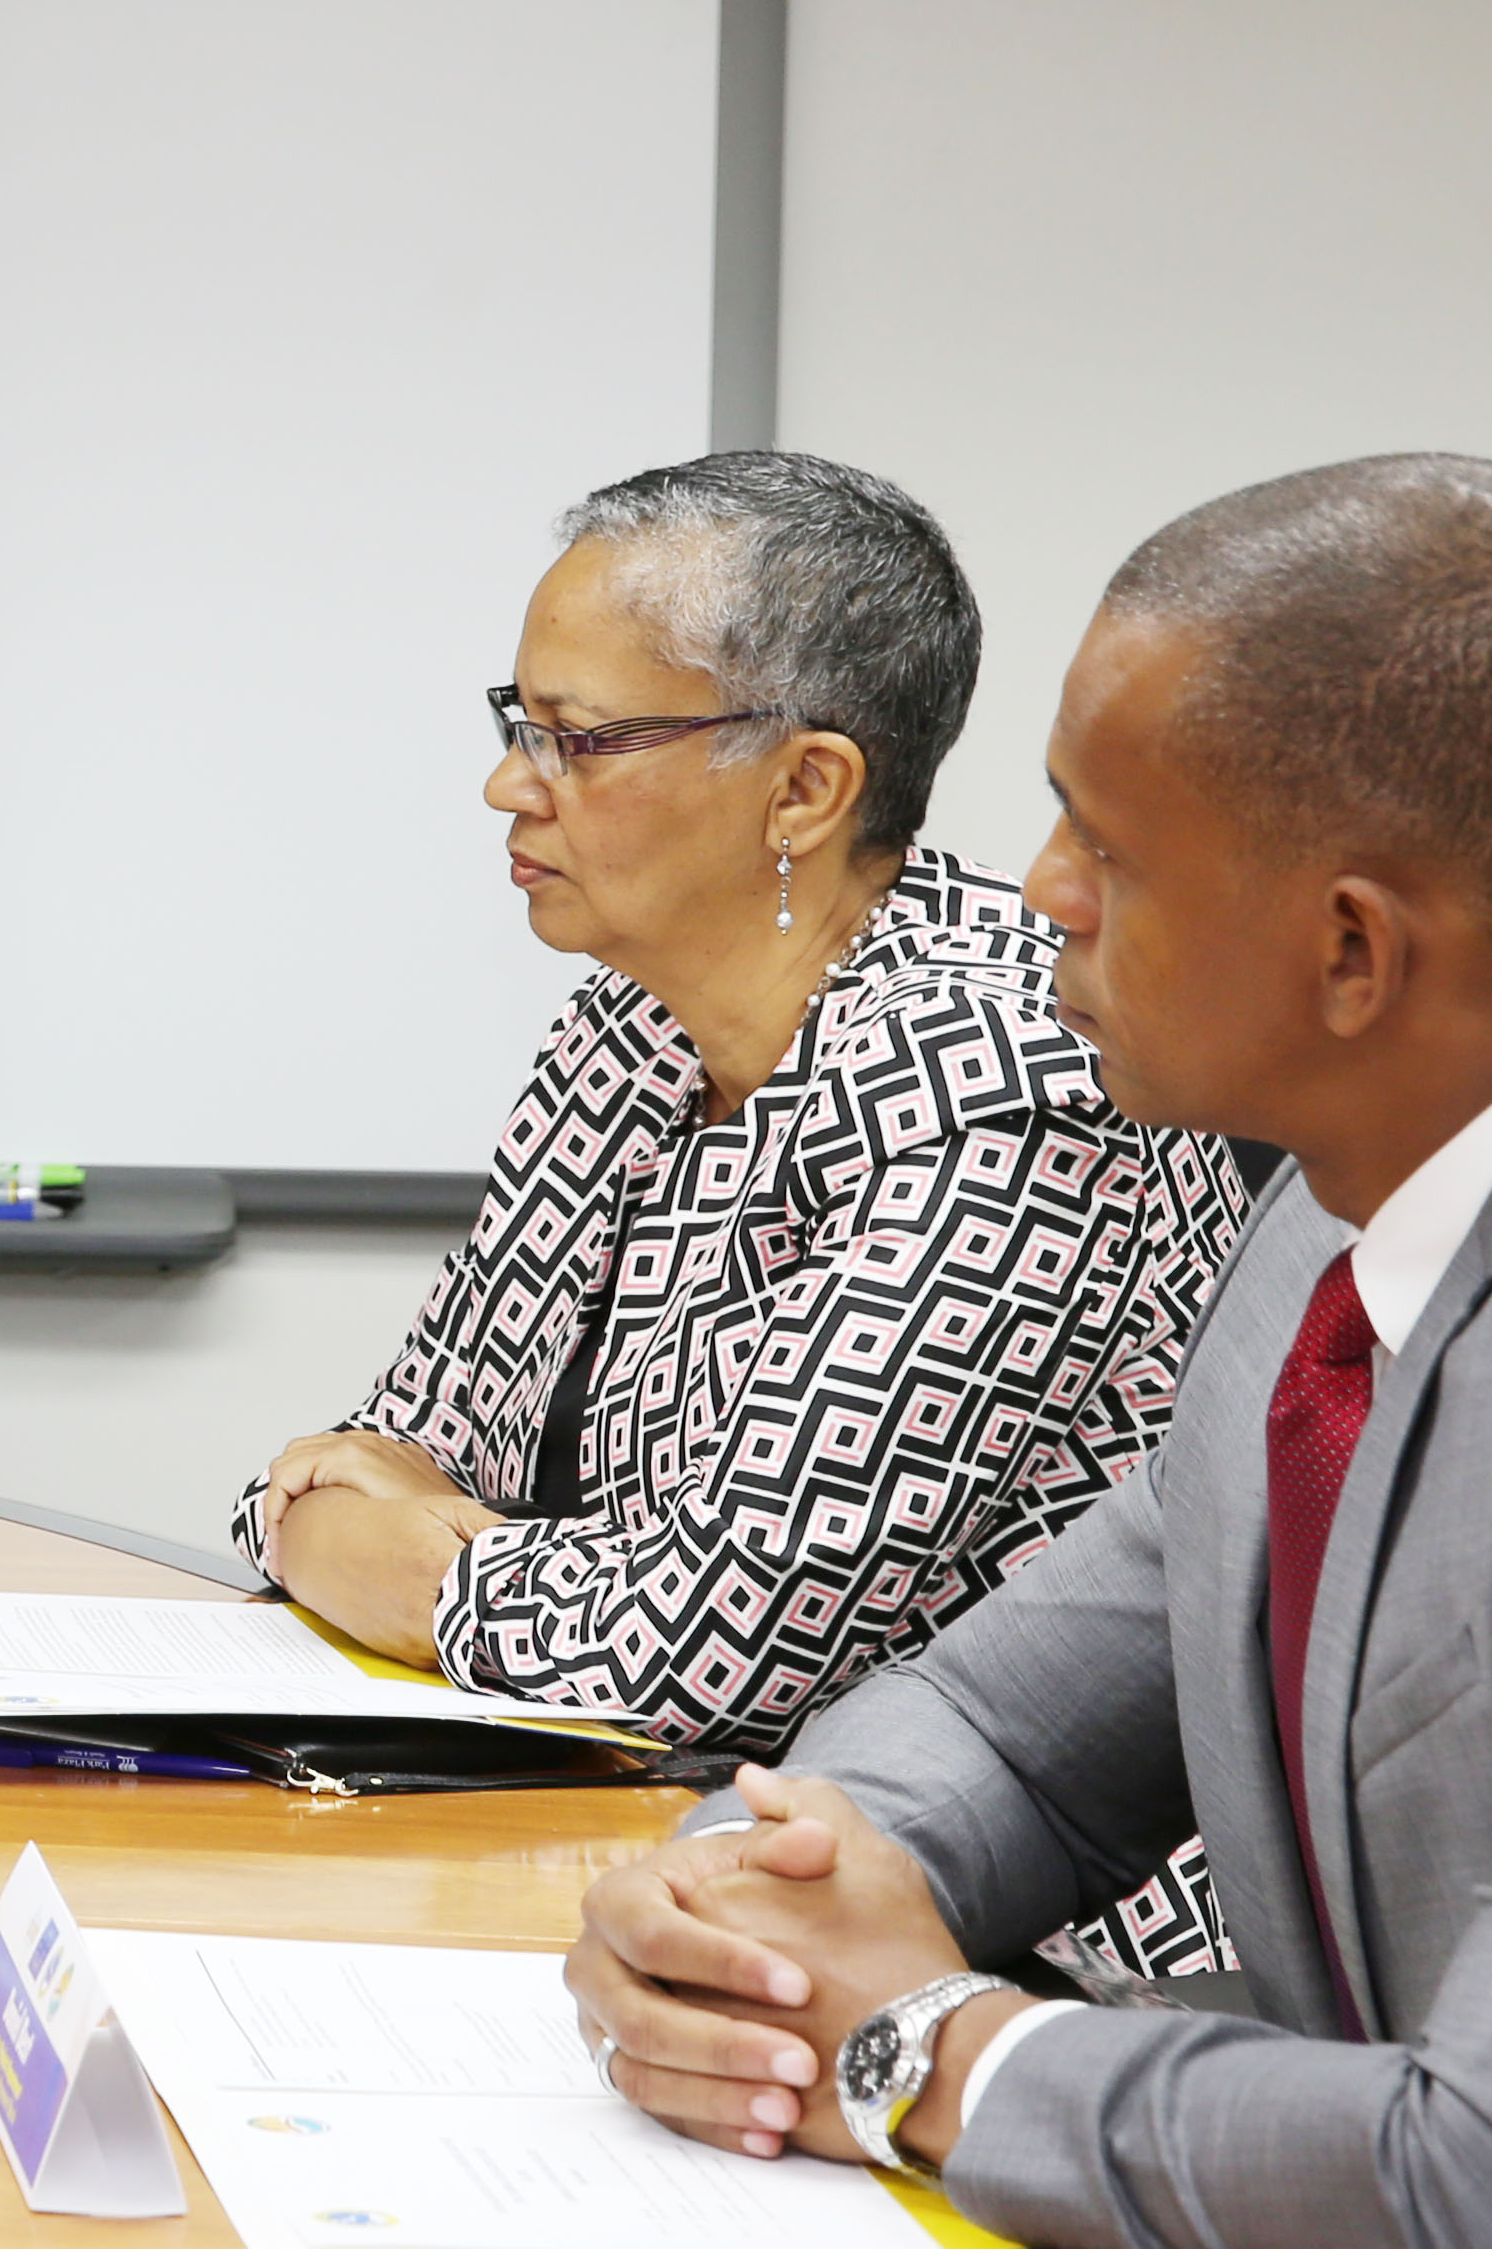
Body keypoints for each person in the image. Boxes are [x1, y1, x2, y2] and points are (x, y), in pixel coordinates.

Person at [569, 455, 1492, 2242]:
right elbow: (1011, 1721)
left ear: (1353, 951)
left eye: (1109, 848)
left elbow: (1465, 2161)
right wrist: (752, 1910)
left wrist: (928, 2050)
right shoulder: (1321, 1233)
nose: (1041, 891)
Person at [235, 456, 1251, 1965]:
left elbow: (694, 1648)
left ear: (804, 787)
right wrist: (355, 1528)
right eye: (516, 726)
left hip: (1025, 1954)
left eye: (577, 739)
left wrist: (400, 1559)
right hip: (663, 1837)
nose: (512, 783)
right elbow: (375, 1450)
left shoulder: (997, 1077)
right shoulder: (624, 1029)